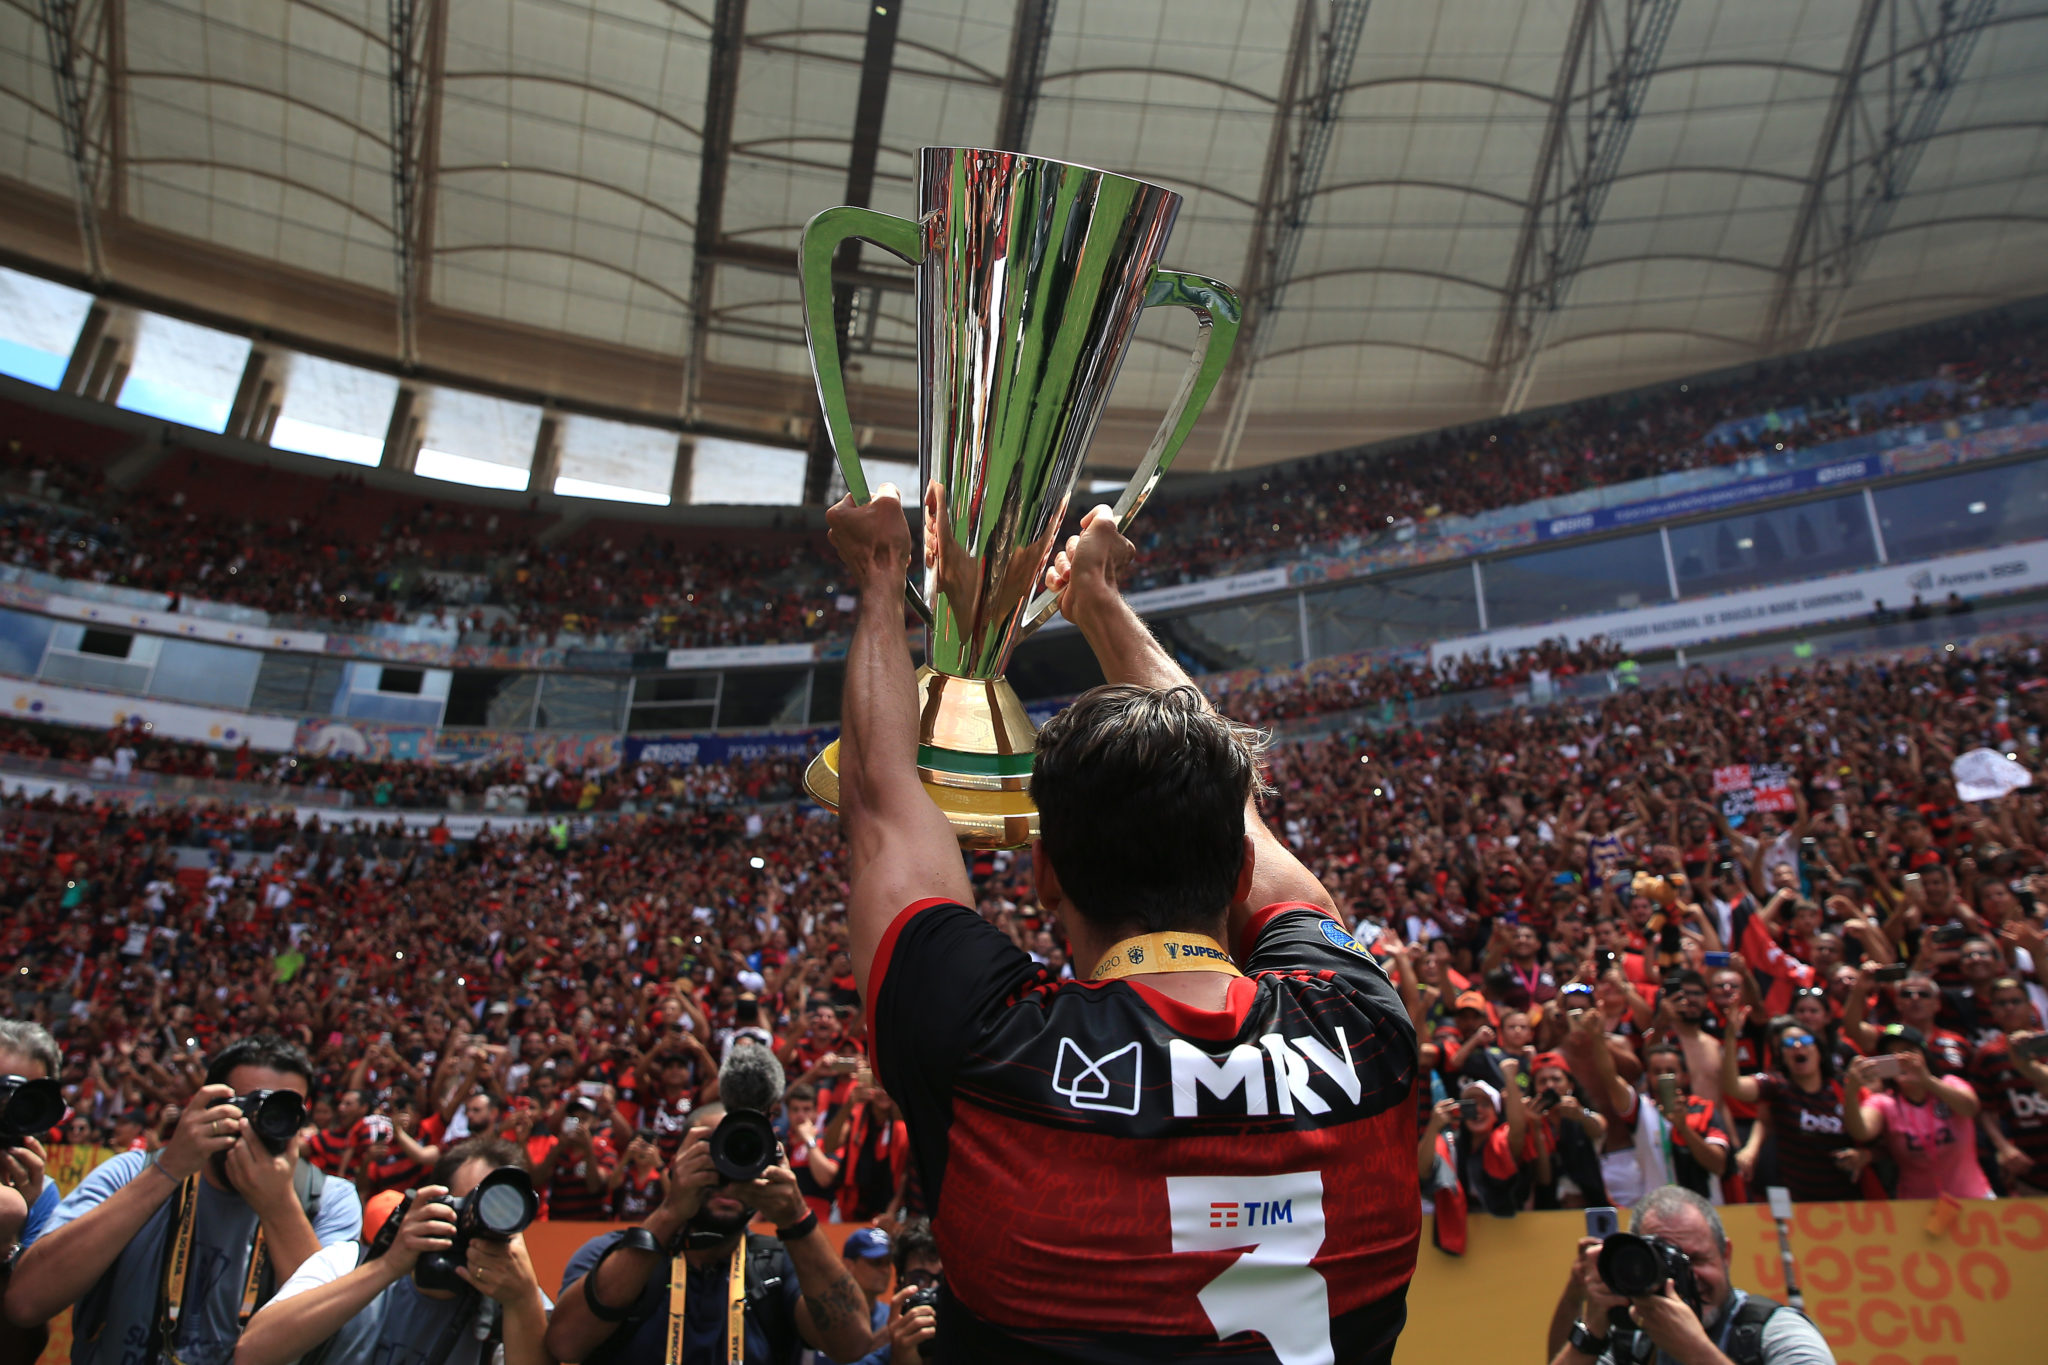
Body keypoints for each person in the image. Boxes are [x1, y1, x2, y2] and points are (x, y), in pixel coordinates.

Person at [825, 493, 1419, 1361]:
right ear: (1240, 871)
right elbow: (1234, 803)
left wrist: (881, 578)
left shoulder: (990, 1048)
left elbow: (880, 798)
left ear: (1044, 875)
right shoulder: (1362, 1025)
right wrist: (1100, 601)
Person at [4, 1034, 363, 1365]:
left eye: (283, 1110)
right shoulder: (133, 1173)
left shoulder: (328, 1199)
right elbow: (27, 1303)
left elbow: (332, 1345)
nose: (262, 1122)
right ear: (209, 1103)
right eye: (248, 1105)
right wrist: (169, 1168)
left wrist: (279, 1205)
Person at [542, 1107, 874, 1365]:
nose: (727, 1176)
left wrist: (797, 1218)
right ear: (678, 1163)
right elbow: (566, 1343)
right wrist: (671, 1211)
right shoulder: (612, 1253)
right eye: (712, 1153)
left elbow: (853, 1343)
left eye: (741, 1155)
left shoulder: (777, 1265)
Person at [235, 1136, 549, 1365]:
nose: (479, 1225)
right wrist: (387, 1267)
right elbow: (252, 1352)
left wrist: (521, 1301)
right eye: (469, 1205)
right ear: (433, 1202)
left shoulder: (514, 1304)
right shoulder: (350, 1262)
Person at [1550, 1184, 1835, 1365]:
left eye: (1696, 1259)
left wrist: (1694, 1351)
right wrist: (1593, 1331)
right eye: (1667, 1263)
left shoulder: (1772, 1332)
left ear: (1726, 1255)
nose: (1685, 1279)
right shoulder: (1631, 1341)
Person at [1719, 1009, 1867, 1203]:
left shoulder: (1844, 1087)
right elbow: (1733, 1087)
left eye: (1805, 1042)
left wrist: (1866, 1156)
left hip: (1848, 1201)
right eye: (1788, 1044)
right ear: (1782, 1055)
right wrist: (1731, 1038)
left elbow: (1875, 1136)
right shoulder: (1776, 1086)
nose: (1797, 1047)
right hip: (1797, 1202)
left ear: (1819, 1051)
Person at [1843, 1024, 1993, 1200]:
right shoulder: (1884, 1102)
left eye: (1907, 1051)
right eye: (1892, 1054)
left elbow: (1970, 1108)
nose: (1900, 1058)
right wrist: (1851, 1091)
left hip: (1975, 1199)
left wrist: (1926, 1080)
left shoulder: (1950, 1083)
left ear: (1924, 1056)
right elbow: (1861, 1131)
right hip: (1915, 1208)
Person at [820, 1225, 894, 1365]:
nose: (885, 1270)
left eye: (888, 1262)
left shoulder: (890, 1317)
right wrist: (873, 1345)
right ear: (848, 1266)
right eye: (876, 1262)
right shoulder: (826, 1318)